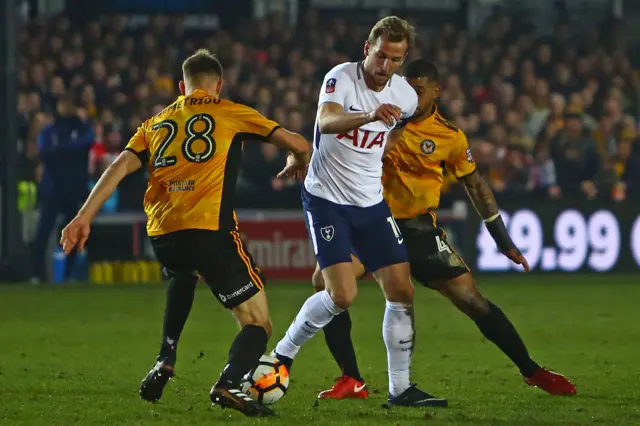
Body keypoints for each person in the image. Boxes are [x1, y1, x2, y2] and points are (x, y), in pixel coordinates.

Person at [60, 49, 310, 417]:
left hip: (163, 235)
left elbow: (118, 166)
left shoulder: (156, 122)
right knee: (258, 323)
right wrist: (296, 159)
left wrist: (83, 217)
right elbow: (300, 143)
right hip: (210, 230)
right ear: (219, 85)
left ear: (181, 86)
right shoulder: (231, 111)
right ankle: (229, 382)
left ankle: (166, 356)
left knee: (183, 273)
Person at [312, 59, 577, 400]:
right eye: (407, 88)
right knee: (326, 283)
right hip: (373, 221)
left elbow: (476, 185)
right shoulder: (378, 118)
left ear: (436, 92)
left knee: (471, 300)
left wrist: (502, 240)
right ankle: (351, 378)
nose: (411, 96)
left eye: (418, 91)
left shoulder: (449, 136)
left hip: (419, 228)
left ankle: (532, 370)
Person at [271, 17, 448, 407]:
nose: (385, 65)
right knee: (341, 294)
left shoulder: (406, 97)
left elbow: (395, 130)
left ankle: (399, 389)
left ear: (404, 59)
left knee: (402, 291)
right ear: (367, 48)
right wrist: (369, 116)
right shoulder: (341, 78)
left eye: (395, 59)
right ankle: (280, 357)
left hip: (371, 203)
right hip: (327, 200)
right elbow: (327, 120)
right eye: (381, 55)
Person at [32, 95, 95, 283]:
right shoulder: (50, 131)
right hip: (53, 189)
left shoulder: (82, 129)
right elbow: (45, 151)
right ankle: (38, 275)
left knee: (73, 234)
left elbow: (84, 143)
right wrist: (67, 150)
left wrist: (61, 148)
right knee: (42, 234)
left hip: (73, 189)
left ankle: (68, 275)